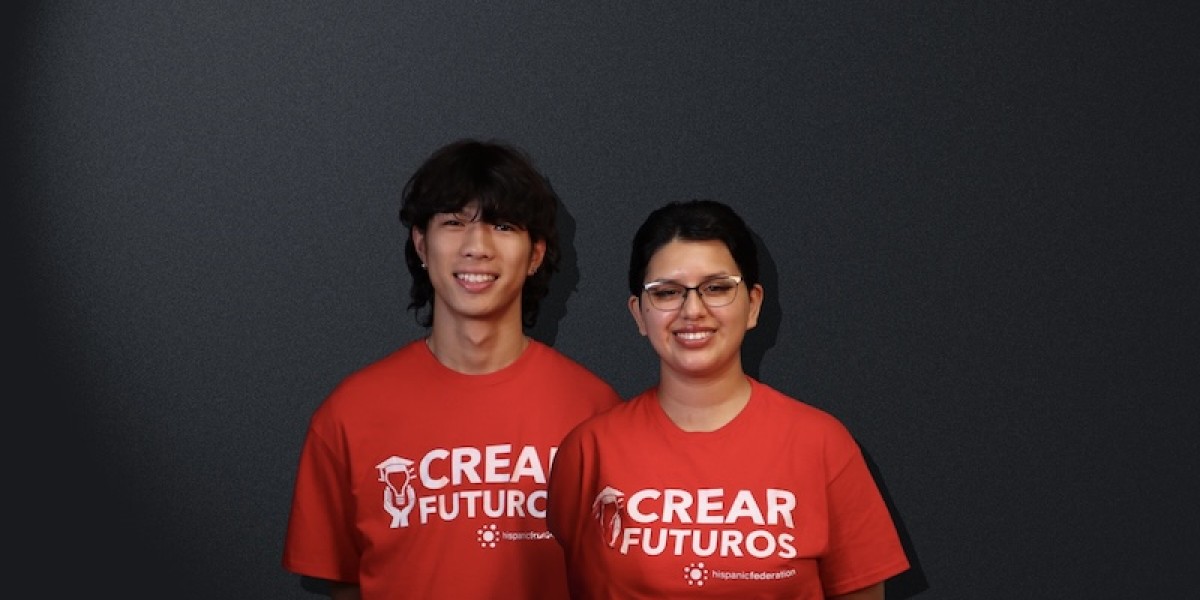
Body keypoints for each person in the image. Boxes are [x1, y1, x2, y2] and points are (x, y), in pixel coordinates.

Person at [283, 138, 622, 599]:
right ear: (421, 244)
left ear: (536, 254)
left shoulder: (596, 413)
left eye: (502, 225)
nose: (476, 247)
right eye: (454, 223)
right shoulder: (349, 414)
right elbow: (341, 583)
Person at [547, 199, 910, 599]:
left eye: (717, 288)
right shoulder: (589, 451)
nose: (693, 310)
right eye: (667, 292)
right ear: (639, 313)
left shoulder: (822, 445)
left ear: (753, 304)